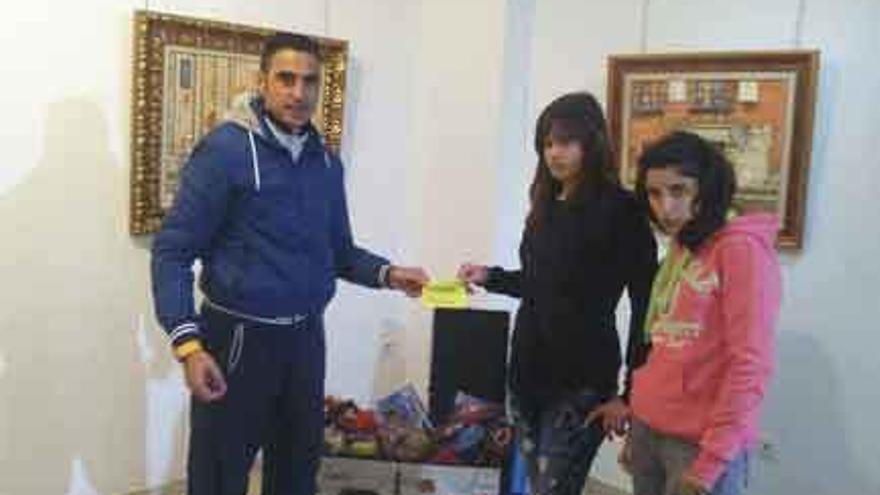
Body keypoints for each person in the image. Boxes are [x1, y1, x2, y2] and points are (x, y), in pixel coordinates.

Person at [150, 32, 429, 495]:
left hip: (304, 341)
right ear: (262, 81)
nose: (299, 93)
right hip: (237, 339)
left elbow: (338, 251)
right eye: (286, 79)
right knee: (220, 475)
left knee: (297, 474)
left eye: (309, 81)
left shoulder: (324, 162)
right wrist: (189, 345)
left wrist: (388, 274)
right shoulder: (225, 152)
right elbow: (172, 251)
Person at [457, 92, 657, 495]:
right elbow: (541, 285)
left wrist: (630, 393)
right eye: (547, 143)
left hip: (582, 384)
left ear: (592, 142)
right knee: (535, 485)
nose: (554, 153)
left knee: (554, 488)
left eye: (565, 142)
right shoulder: (547, 203)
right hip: (528, 372)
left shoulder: (622, 211)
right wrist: (490, 277)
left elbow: (645, 306)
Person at [622, 131, 782, 495]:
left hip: (699, 445)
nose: (665, 208)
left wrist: (711, 462)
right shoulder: (684, 245)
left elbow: (750, 364)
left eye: (679, 191)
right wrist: (638, 422)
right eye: (654, 194)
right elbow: (661, 343)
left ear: (706, 190)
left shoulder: (741, 250)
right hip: (650, 428)